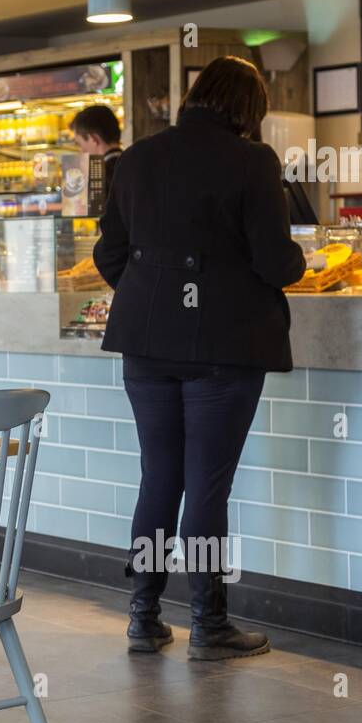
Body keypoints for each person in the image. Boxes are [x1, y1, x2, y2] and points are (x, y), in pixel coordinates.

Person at [92, 56, 306, 661]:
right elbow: (275, 261)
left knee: (159, 478)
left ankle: (144, 616)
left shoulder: (136, 158)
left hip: (146, 345)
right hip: (224, 349)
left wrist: (156, 297)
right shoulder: (252, 161)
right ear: (247, 109)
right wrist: (298, 264)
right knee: (207, 487)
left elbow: (111, 255)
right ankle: (209, 626)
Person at [70, 104, 124, 204]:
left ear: (93, 139)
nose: (81, 150)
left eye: (80, 143)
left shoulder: (98, 177)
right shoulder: (135, 163)